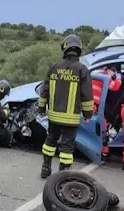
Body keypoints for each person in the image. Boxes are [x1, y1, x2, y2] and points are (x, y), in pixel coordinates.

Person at [38, 34, 94, 178]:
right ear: (79, 50)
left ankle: (45, 168)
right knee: (67, 147)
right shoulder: (82, 70)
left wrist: (41, 108)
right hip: (71, 118)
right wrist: (88, 115)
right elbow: (86, 95)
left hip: (54, 116)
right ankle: (62, 175)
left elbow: (44, 90)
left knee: (50, 140)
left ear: (64, 48)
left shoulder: (54, 67)